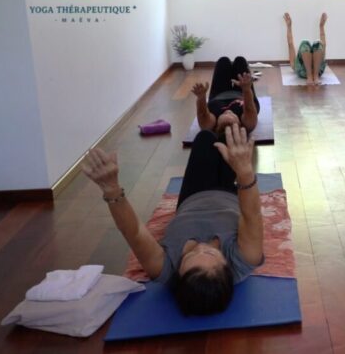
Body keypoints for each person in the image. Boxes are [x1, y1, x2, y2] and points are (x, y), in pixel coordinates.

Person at [82, 124, 264, 315]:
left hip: (193, 197)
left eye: (190, 256)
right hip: (232, 195)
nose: (201, 246)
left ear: (178, 275)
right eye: (211, 254)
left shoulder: (164, 268)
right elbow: (251, 215)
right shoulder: (244, 259)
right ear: (228, 269)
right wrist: (244, 172)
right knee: (232, 138)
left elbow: (134, 232)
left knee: (204, 139)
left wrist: (111, 189)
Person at [191, 56, 261, 134]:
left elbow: (202, 114)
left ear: (217, 125)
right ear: (239, 124)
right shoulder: (249, 123)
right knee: (240, 60)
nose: (228, 111)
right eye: (232, 114)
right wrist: (246, 89)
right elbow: (249, 108)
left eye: (225, 114)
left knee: (223, 61)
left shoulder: (208, 125)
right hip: (243, 93)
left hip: (219, 94)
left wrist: (201, 97)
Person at [284, 12, 328, 85]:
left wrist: (321, 26)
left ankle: (315, 76)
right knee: (305, 43)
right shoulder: (299, 68)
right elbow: (290, 44)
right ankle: (310, 76)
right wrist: (289, 26)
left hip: (317, 71)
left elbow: (323, 45)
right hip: (307, 72)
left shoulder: (319, 66)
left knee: (317, 43)